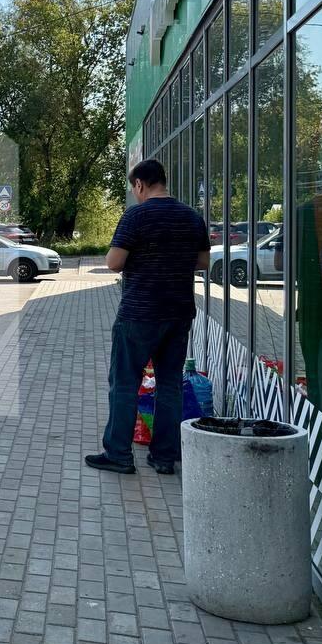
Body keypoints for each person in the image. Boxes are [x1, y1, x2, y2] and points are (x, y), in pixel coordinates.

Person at [86, 158, 209, 476]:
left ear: (140, 184)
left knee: (125, 383)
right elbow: (203, 262)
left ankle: (118, 454)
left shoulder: (136, 216)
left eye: (134, 188)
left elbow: (114, 262)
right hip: (178, 314)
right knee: (170, 385)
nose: (134, 193)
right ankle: (164, 456)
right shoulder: (192, 217)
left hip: (139, 314)